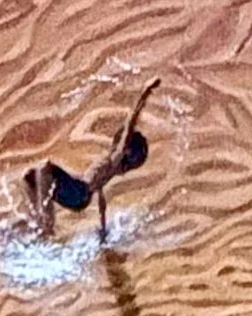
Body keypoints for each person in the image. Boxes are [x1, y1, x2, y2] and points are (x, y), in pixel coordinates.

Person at [24, 80, 159, 243]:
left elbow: (130, 123)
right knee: (30, 177)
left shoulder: (114, 160)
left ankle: (45, 225)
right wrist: (103, 232)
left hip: (79, 193)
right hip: (79, 195)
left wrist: (145, 92)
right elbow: (102, 203)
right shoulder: (108, 169)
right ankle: (42, 225)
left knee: (45, 169)